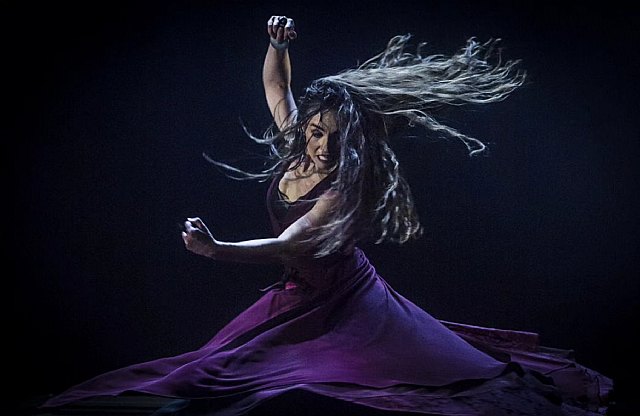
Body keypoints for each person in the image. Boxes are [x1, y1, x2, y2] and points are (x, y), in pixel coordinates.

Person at [41, 15, 612, 416]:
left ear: (350, 144)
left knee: (409, 376)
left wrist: (216, 250)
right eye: (314, 131)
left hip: (343, 296)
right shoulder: (298, 138)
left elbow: (291, 242)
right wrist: (278, 43)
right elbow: (276, 83)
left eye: (330, 138)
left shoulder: (341, 186)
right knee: (212, 371)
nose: (317, 144)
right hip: (296, 290)